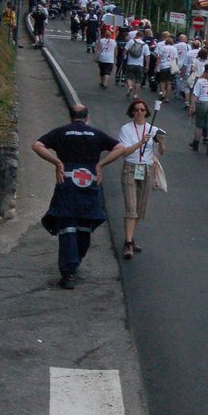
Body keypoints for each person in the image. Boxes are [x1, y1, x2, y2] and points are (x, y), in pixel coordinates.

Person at [32, 104, 144, 289]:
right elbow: (120, 148)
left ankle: (68, 273)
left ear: (70, 117)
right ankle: (76, 262)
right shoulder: (96, 133)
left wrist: (57, 162)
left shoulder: (61, 132)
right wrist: (100, 165)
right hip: (89, 183)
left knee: (67, 227)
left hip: (66, 183)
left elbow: (37, 145)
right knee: (84, 226)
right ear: (86, 117)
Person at [118, 100, 165, 260]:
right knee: (131, 206)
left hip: (146, 169)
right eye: (136, 110)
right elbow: (125, 152)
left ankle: (129, 238)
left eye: (142, 110)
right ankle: (128, 243)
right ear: (132, 112)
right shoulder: (126, 129)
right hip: (131, 167)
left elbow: (161, 152)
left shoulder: (153, 130)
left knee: (139, 208)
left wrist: (161, 143)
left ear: (146, 112)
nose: (139, 112)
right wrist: (140, 142)